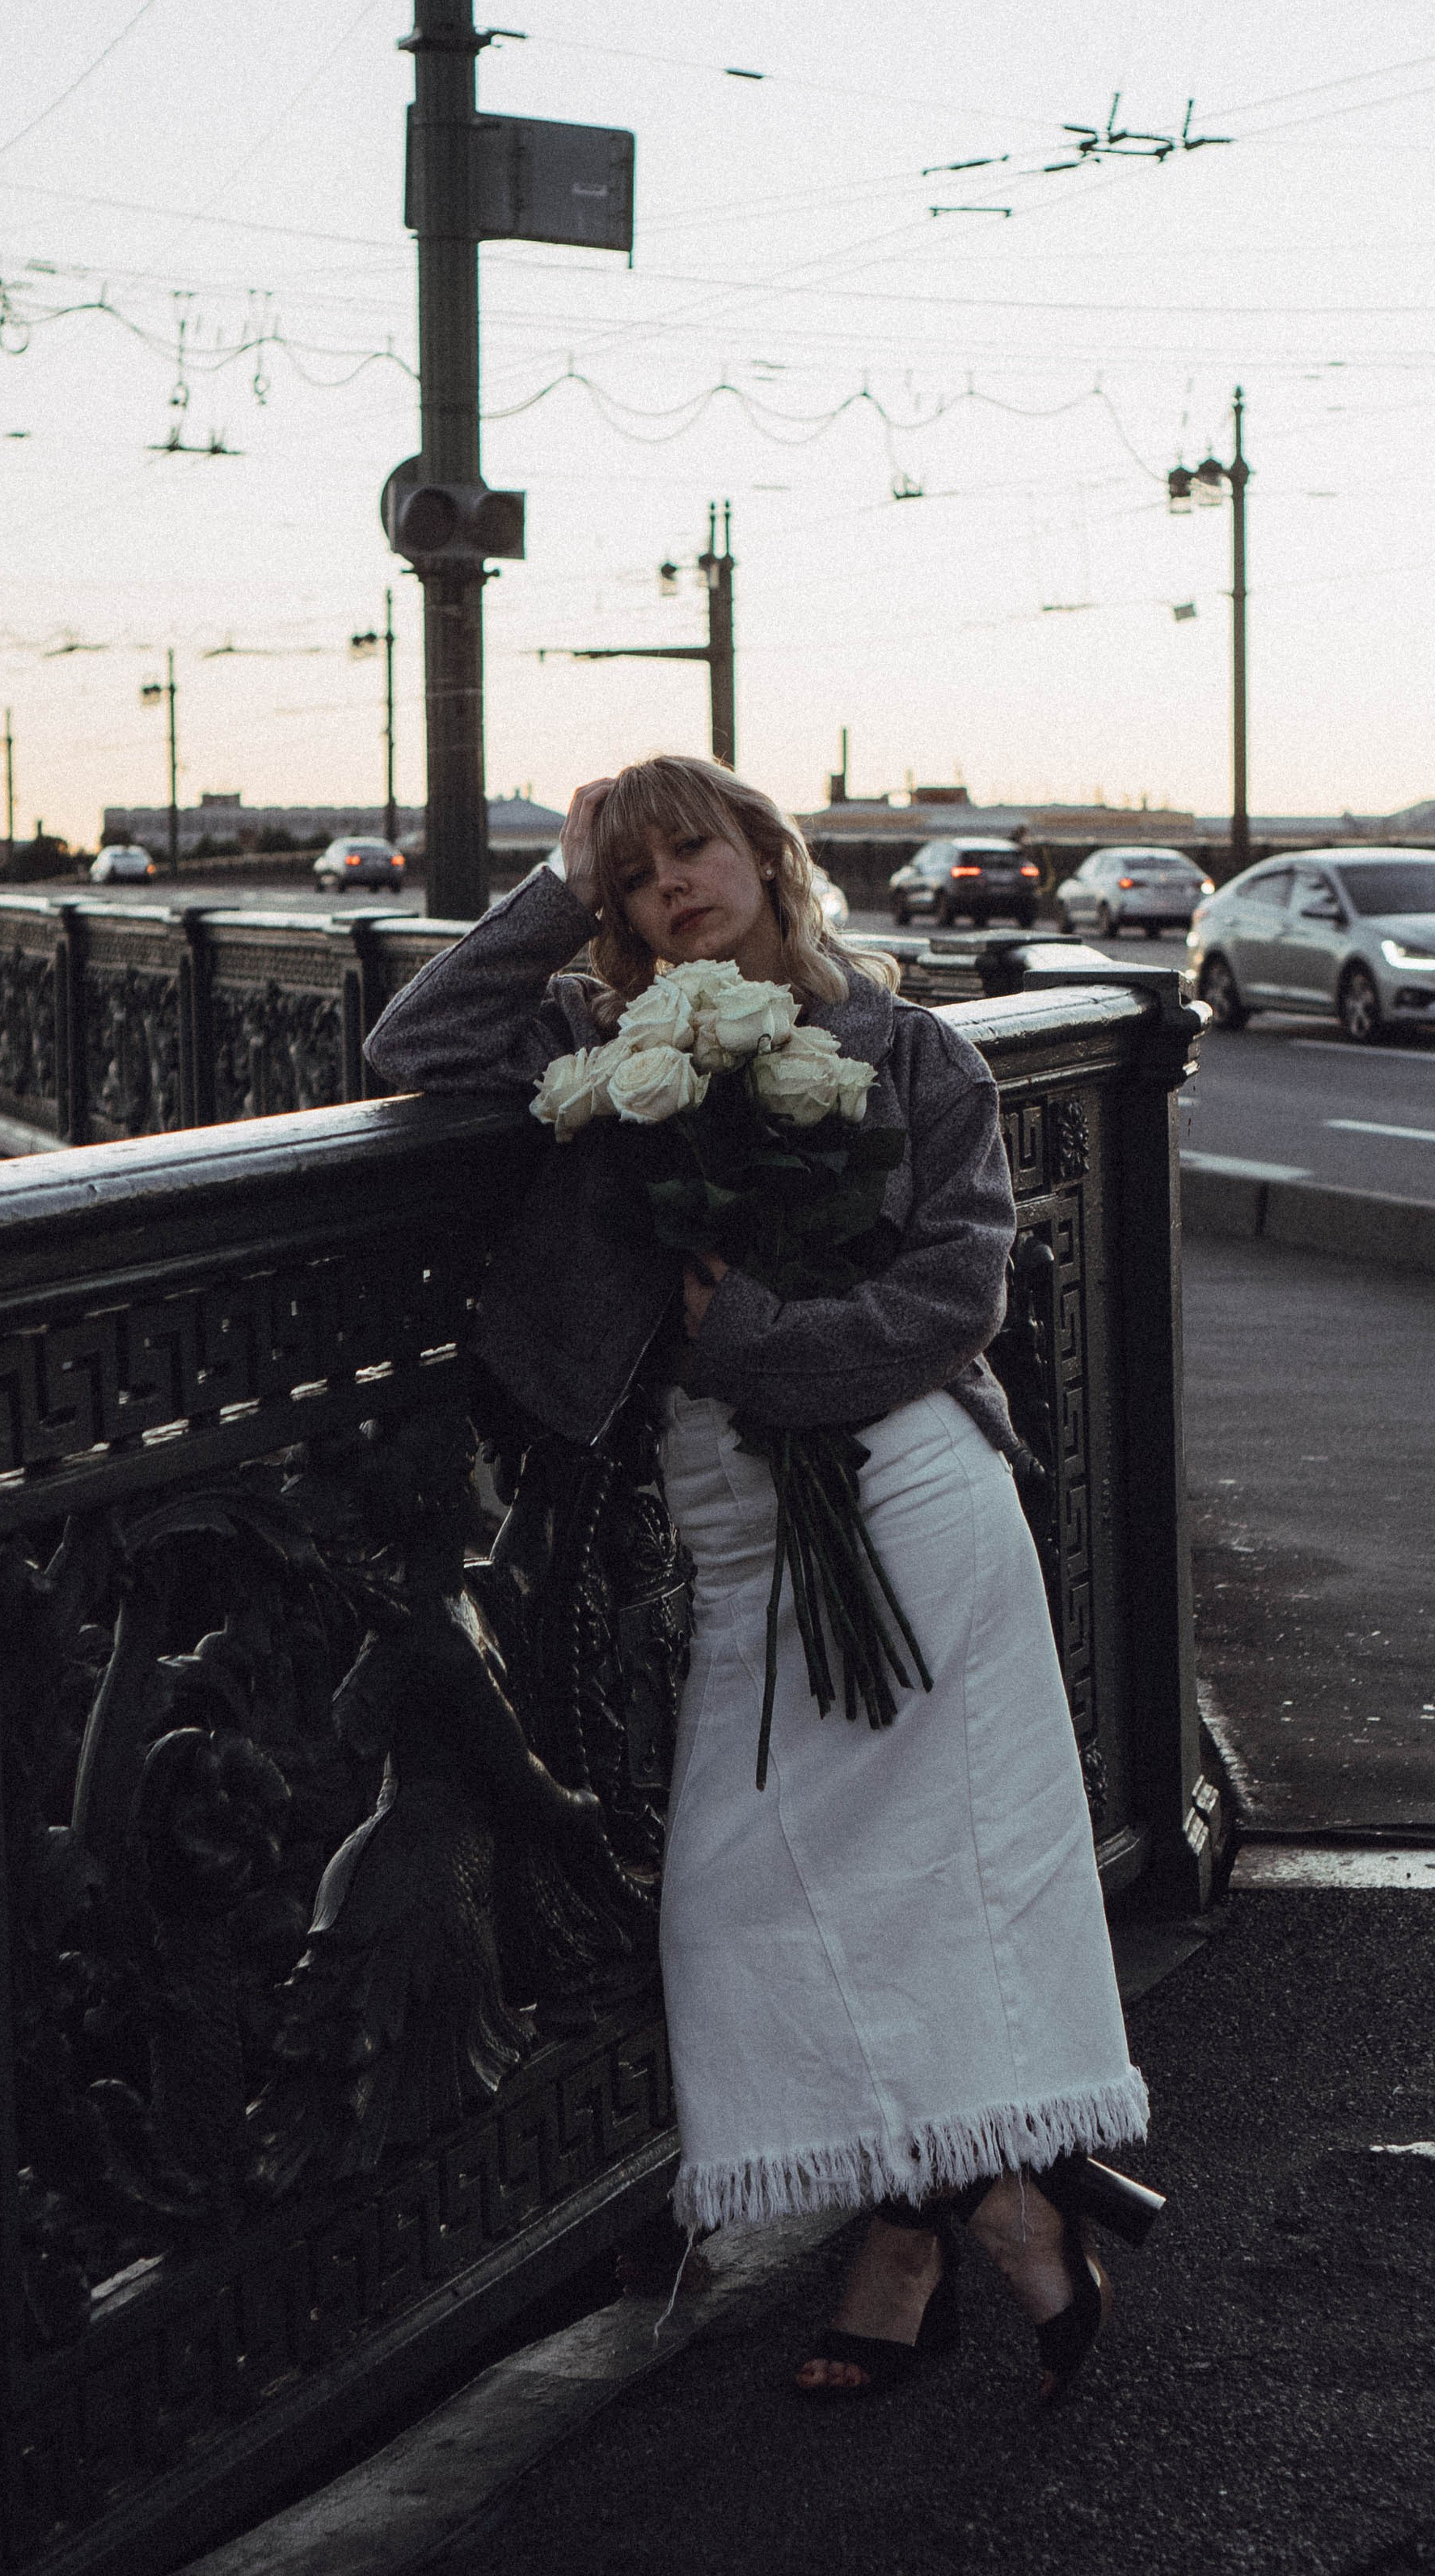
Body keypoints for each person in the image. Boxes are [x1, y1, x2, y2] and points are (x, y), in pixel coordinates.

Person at [363, 754, 1148, 2406]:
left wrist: (764, 1345)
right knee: (750, 1900)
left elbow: (954, 1294)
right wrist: (556, 891)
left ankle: (919, 2244)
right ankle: (995, 2207)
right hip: (731, 1520)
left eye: (689, 851)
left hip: (911, 1499)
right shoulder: (600, 1045)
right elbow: (412, 1045)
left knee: (913, 1888)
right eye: (634, 877)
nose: (669, 889)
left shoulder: (904, 1044)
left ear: (765, 855)